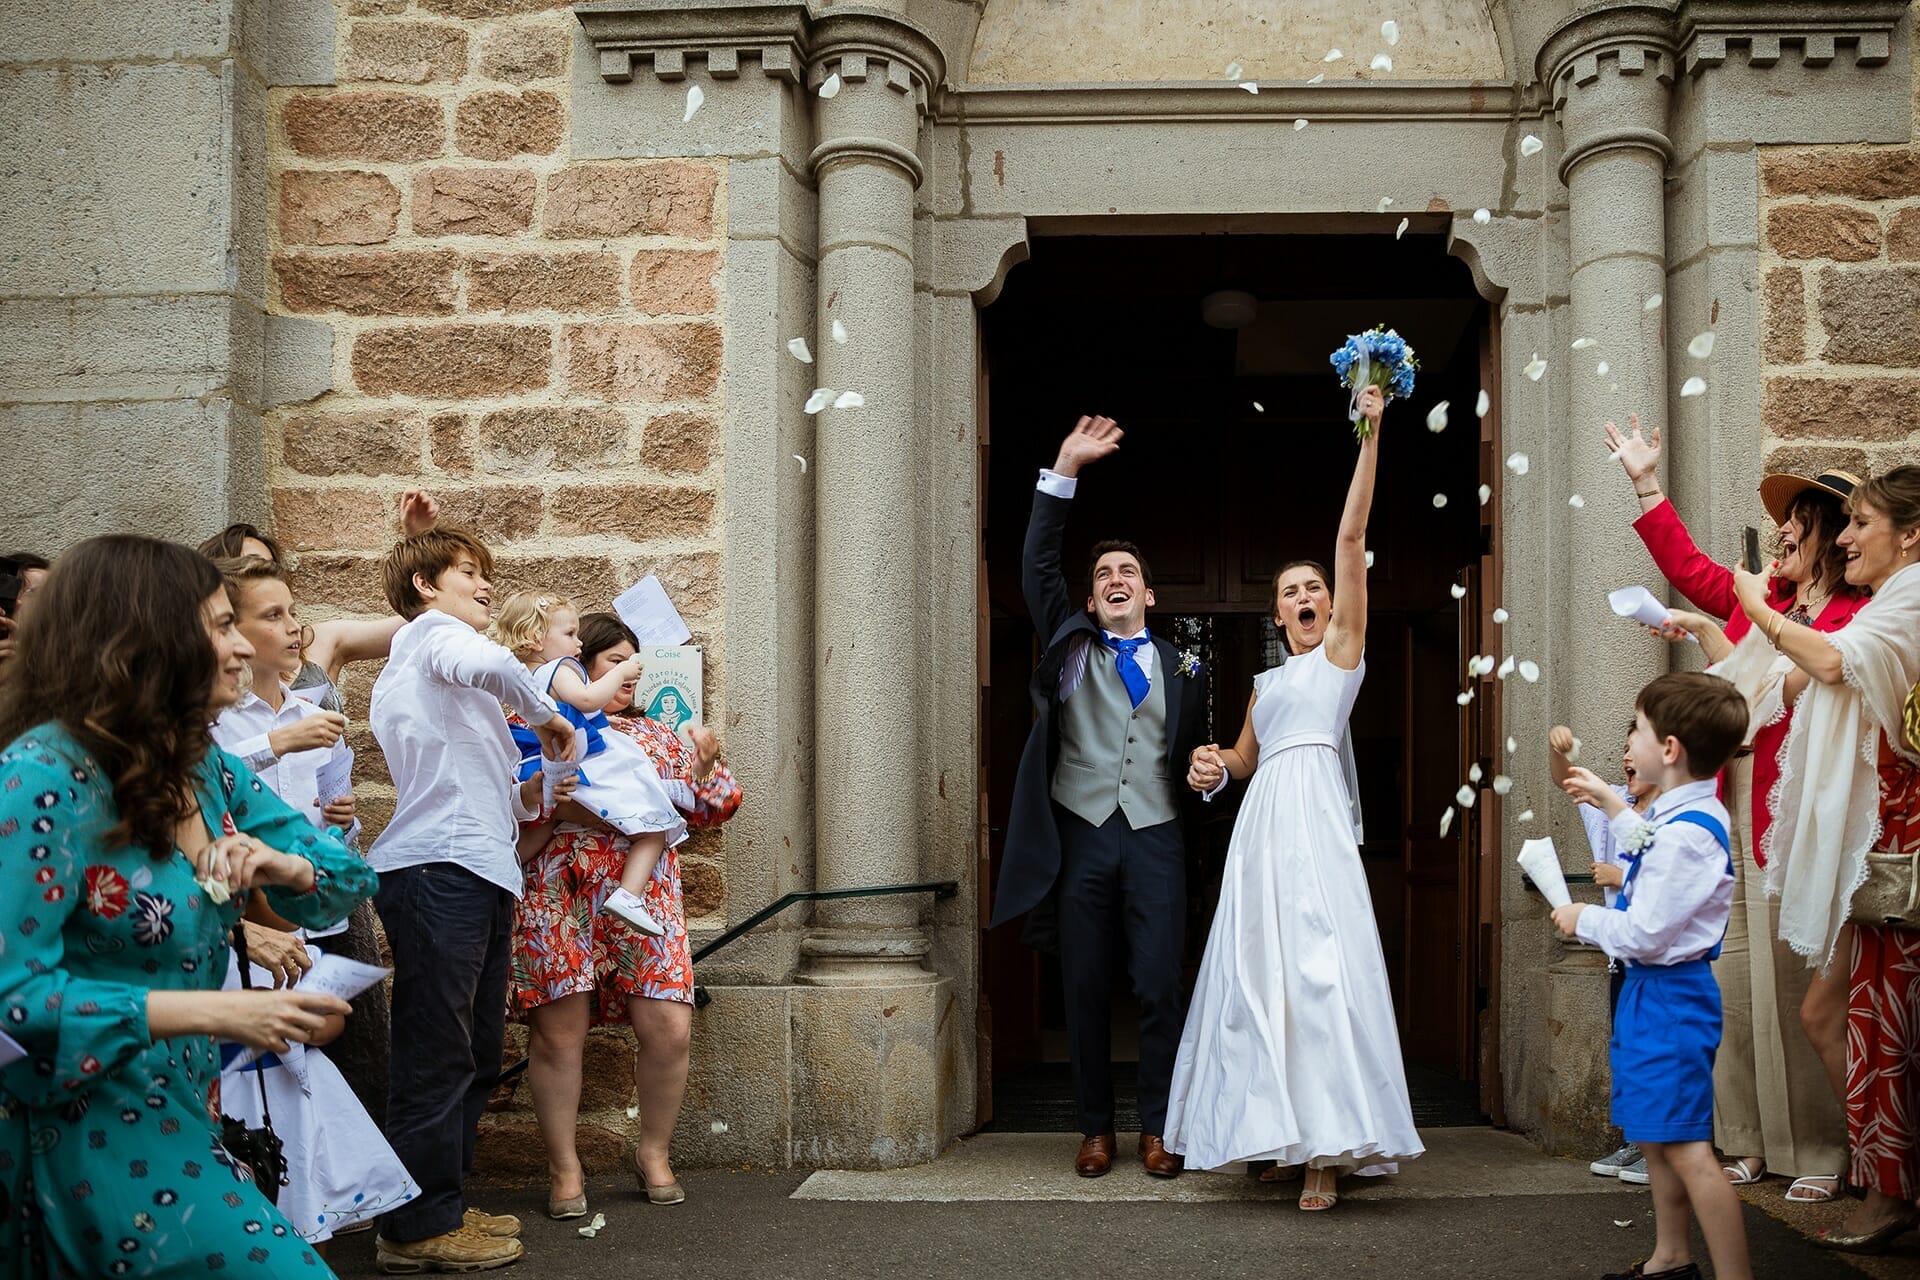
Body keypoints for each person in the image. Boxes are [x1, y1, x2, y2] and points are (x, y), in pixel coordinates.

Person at [0, 535, 373, 1277]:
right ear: (145, 639)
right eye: (220, 625)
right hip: (83, 1131)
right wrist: (219, 1012)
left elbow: (347, 880)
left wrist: (284, 864)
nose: (242, 647)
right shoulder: (41, 776)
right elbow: (15, 998)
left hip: (185, 1113)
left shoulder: (204, 768)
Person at [1164, 385, 1420, 1211]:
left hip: (1313, 830)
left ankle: (1327, 1151)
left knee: (1318, 977)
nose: (1306, 598)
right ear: (1276, 614)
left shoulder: (1341, 655)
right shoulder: (1267, 682)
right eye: (1291, 592)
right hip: (1261, 835)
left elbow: (1352, 535)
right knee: (1259, 977)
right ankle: (1273, 1132)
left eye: (1314, 588)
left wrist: (1370, 436)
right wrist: (1211, 766)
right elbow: (1243, 758)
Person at [1608, 415, 1862, 1202]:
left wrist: (1745, 616)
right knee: (1739, 980)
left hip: (1794, 803)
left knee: (1792, 984)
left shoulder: (1846, 619)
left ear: (1823, 535)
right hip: (1735, 796)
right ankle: (1748, 1139)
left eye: (1795, 522)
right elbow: (1688, 567)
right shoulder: (1771, 597)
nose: (1781, 532)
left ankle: (1821, 1147)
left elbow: (1795, 688)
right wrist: (1645, 480)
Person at [987, 415, 1209, 1180]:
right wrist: (1063, 471)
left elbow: (1189, 759)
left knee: (1156, 983)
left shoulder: (1185, 668)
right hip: (1081, 831)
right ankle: (1093, 1129)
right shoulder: (1069, 640)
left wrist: (1206, 776)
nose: (1116, 580)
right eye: (1105, 573)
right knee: (1082, 983)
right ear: (1092, 594)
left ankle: (1158, 1125)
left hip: (1157, 835)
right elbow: (1037, 564)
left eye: (1128, 573)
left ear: (1148, 591)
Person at [365, 526, 575, 1273]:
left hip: (477, 869)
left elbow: (502, 801)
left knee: (476, 1053)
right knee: (438, 1052)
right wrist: (548, 717)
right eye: (468, 571)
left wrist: (544, 781)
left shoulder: (448, 681)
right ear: (426, 587)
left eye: (486, 572)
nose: (486, 584)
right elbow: (490, 660)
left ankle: (439, 1205)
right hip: (438, 872)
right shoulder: (433, 638)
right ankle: (414, 1228)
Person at [1732, 466, 1920, 1251]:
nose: (1844, 538)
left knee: (1884, 1026)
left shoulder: (1911, 596)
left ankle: (1890, 1191)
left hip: (1902, 840)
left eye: (1861, 524)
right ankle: (1890, 1179)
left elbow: (1838, 665)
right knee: (1828, 1013)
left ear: (1909, 535)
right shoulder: (1892, 598)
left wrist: (1761, 615)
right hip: (1875, 836)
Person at [510, 612, 742, 1218]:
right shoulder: (537, 723)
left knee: (669, 1028)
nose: (629, 674)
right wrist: (560, 810)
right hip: (559, 895)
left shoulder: (659, 734)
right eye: (615, 662)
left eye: (634, 662)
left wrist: (705, 765)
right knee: (558, 1035)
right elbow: (513, 806)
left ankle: (654, 1153)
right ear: (579, 667)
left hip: (645, 900)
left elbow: (713, 808)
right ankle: (565, 1169)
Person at [1555, 671, 1755, 1280]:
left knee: (1691, 1150)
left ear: (1668, 750)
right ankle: (1670, 1258)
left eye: (1637, 727)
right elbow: (1646, 838)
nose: (1630, 741)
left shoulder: (1689, 836)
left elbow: (1645, 931)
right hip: (1655, 996)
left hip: (1671, 997)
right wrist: (1612, 803)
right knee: (1658, 1137)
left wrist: (1584, 916)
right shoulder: (1677, 817)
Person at [489, 592, 687, 937]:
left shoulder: (525, 677)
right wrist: (622, 671)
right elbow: (587, 698)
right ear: (537, 638)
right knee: (656, 825)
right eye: (569, 634)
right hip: (583, 761)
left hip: (551, 762)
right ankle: (630, 894)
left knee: (546, 822)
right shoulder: (560, 669)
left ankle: (508, 864)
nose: (577, 643)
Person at [1552, 723, 1661, 1184]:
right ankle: (1635, 1142)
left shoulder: (1676, 813)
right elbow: (1568, 780)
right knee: (1628, 1048)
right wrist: (1558, 751)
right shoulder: (1617, 800)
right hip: (1623, 957)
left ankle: (1660, 1149)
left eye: (1634, 746)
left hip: (1659, 958)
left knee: (1655, 1050)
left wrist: (1619, 877)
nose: (1625, 758)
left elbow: (1668, 878)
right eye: (1623, 747)